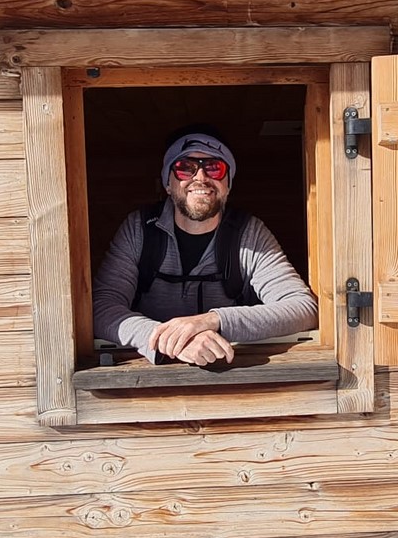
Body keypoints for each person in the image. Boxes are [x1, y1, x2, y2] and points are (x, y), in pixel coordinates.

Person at [92, 129, 318, 366]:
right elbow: (102, 307)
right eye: (185, 167)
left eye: (214, 167)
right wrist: (170, 340)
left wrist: (212, 321)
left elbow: (301, 307)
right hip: (148, 376)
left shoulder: (248, 233)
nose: (200, 177)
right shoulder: (139, 229)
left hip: (229, 371)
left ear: (227, 185)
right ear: (168, 183)